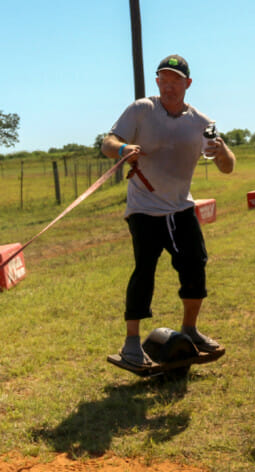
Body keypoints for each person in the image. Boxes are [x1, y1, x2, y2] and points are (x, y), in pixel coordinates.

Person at [101, 54, 236, 368]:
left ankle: (190, 329)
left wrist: (221, 151)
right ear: (157, 81)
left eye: (176, 80)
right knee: (144, 270)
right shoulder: (141, 109)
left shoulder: (203, 123)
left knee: (195, 265)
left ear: (188, 84)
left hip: (180, 207)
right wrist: (123, 149)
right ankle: (131, 344)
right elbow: (108, 143)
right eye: (164, 79)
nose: (169, 86)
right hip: (144, 207)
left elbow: (228, 166)